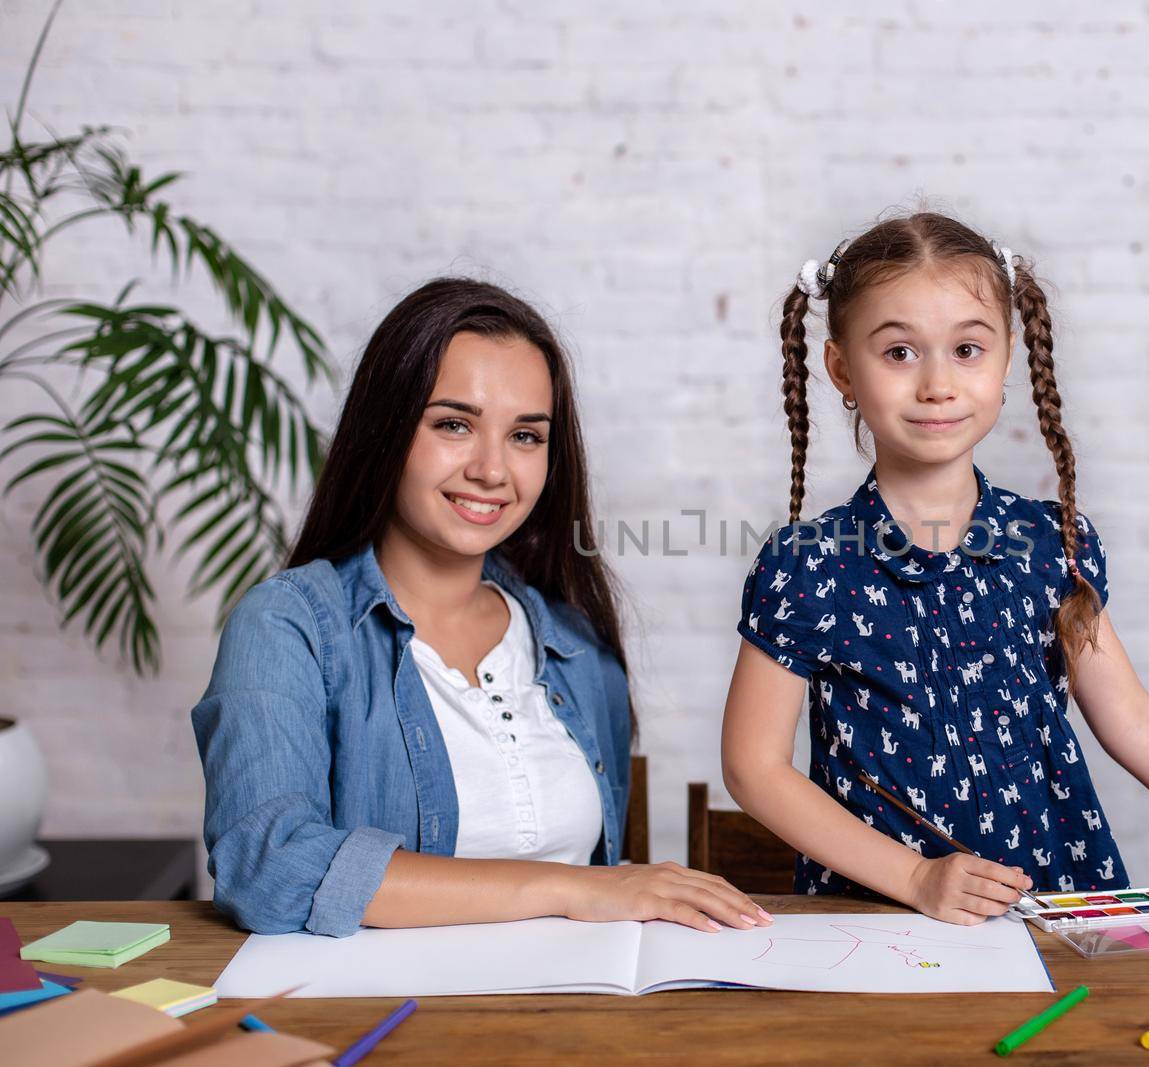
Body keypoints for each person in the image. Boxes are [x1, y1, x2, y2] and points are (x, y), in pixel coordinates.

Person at [721, 213, 1149, 924]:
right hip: (881, 919)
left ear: (1007, 358)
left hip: (1051, 902)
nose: (938, 383)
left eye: (968, 348)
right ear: (841, 370)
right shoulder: (810, 566)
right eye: (898, 353)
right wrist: (917, 878)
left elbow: (1131, 717)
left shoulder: (1047, 545)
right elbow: (754, 767)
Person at [194, 278, 770, 936]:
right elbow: (270, 868)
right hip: (388, 1021)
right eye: (454, 424)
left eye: (526, 435)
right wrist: (573, 888)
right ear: (385, 431)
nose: (492, 469)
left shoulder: (575, 643)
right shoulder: (288, 627)